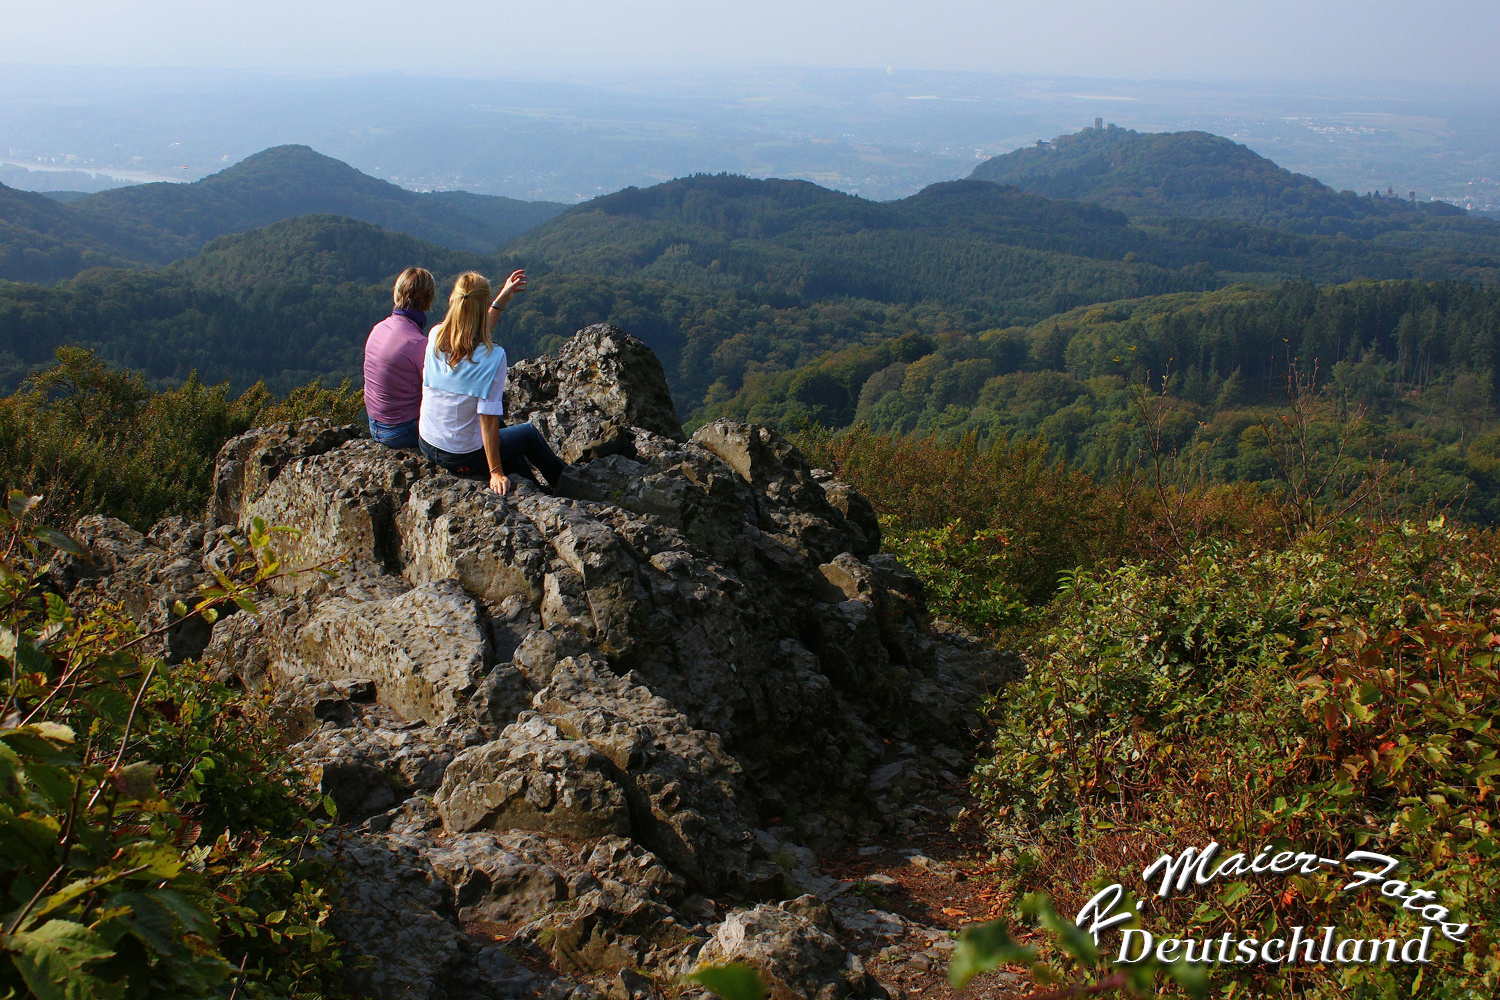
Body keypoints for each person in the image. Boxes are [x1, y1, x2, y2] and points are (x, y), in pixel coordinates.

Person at [418, 269, 566, 495]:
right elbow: (487, 418)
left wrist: (499, 301)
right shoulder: (494, 357)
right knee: (528, 434)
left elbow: (469, 334)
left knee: (506, 434)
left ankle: (534, 489)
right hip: (460, 456)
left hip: (427, 444)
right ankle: (567, 483)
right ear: (481, 308)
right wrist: (495, 471)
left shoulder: (435, 336)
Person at [363, 266, 435, 450]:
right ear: (428, 300)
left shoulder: (378, 328)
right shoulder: (417, 343)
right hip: (401, 431)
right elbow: (436, 390)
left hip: (374, 425)